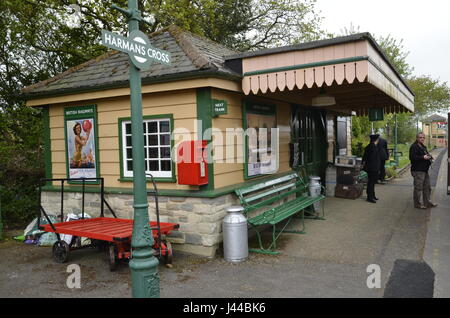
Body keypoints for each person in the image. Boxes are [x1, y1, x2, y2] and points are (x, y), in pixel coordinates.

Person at [409, 132, 438, 209]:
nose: (422, 139)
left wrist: (430, 157)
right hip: (418, 171)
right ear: (417, 138)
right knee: (418, 188)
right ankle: (417, 204)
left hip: (424, 170)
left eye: (423, 137)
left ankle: (427, 202)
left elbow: (426, 154)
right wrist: (423, 157)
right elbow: (412, 158)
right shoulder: (414, 146)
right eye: (420, 137)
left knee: (427, 187)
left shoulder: (423, 146)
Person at [362, 134, 381, 203]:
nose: (379, 140)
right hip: (372, 168)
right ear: (376, 139)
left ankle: (372, 195)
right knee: (371, 182)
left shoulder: (370, 146)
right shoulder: (372, 147)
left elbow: (364, 157)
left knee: (372, 182)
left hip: (371, 168)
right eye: (378, 139)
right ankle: (370, 197)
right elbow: (372, 159)